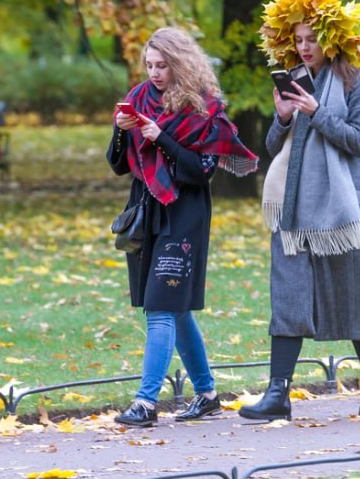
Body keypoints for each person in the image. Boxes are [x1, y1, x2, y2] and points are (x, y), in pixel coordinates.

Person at [239, 0, 360, 421]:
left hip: (342, 210)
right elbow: (273, 146)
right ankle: (277, 394)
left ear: (332, 39)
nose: (304, 47)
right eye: (298, 39)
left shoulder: (357, 83)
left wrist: (315, 112)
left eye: (312, 39)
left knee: (358, 293)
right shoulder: (296, 81)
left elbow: (359, 142)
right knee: (288, 295)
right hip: (292, 209)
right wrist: (284, 118)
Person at [106, 27, 259, 427]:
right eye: (149, 65)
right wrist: (121, 132)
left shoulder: (204, 109)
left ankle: (145, 402)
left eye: (162, 66)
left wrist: (162, 138)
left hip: (184, 213)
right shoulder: (139, 99)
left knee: (160, 308)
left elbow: (201, 172)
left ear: (180, 63)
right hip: (146, 210)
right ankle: (207, 394)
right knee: (176, 311)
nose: (154, 73)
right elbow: (119, 164)